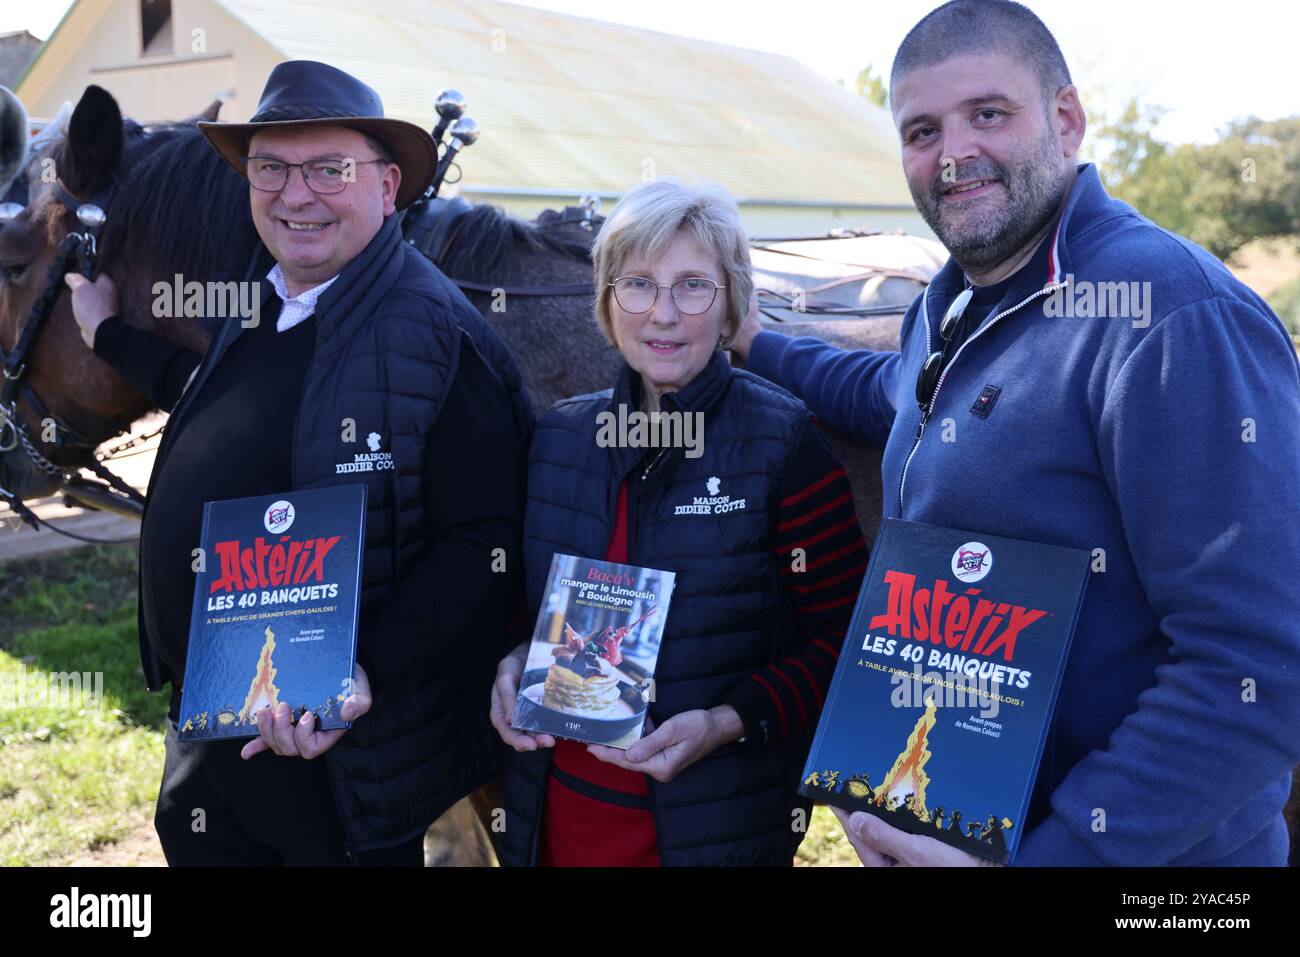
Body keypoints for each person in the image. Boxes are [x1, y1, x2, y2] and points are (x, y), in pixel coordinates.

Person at [731, 0, 1300, 867]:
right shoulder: (952, 301)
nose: (954, 154)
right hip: (953, 825)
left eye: (987, 114)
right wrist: (755, 343)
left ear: (1065, 119)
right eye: (922, 131)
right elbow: (890, 396)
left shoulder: (1168, 314)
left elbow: (1258, 669)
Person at [65, 60, 531, 866]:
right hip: (216, 731)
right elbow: (221, 398)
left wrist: (361, 670)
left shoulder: (435, 334)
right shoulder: (270, 295)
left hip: (336, 774)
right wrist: (109, 335)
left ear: (388, 188)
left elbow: (484, 542)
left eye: (328, 169)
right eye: (271, 168)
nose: (294, 193)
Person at [488, 179, 869, 866]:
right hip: (556, 823)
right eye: (638, 284)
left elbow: (843, 643)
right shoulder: (557, 438)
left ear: (731, 306)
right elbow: (526, 606)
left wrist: (728, 722)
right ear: (606, 302)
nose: (662, 313)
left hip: (711, 831)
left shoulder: (784, 445)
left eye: (693, 285)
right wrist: (515, 658)